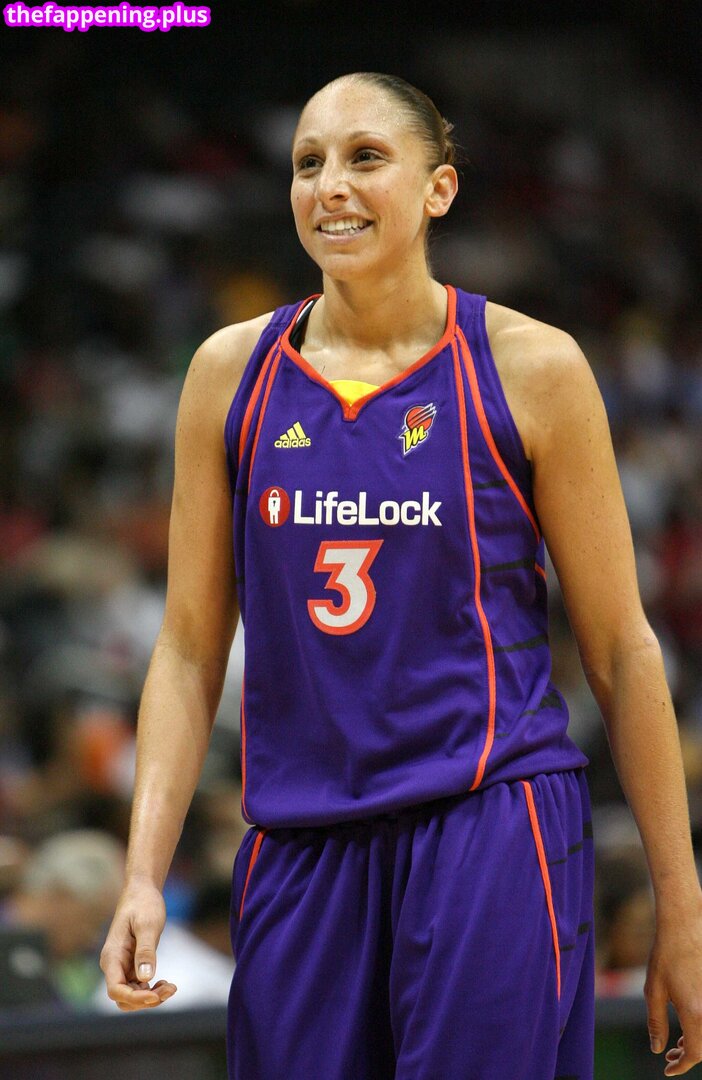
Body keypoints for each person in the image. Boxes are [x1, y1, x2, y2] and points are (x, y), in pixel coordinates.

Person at [99, 72, 702, 1079]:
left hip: (487, 824)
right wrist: (141, 877)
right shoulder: (229, 373)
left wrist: (682, 905)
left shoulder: (532, 367)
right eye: (308, 163)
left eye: (366, 157)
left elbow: (620, 650)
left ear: (439, 189)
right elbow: (191, 646)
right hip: (300, 840)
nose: (330, 184)